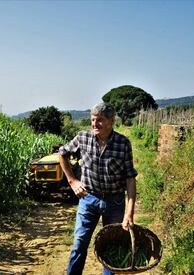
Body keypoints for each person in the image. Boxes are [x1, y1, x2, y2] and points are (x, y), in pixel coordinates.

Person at [58, 102, 138, 275]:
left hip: (114, 202)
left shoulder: (123, 144)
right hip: (89, 199)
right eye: (93, 120)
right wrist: (72, 181)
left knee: (110, 248)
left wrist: (129, 213)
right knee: (79, 244)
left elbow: (130, 178)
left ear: (111, 121)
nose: (95, 124)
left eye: (100, 120)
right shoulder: (83, 138)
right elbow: (62, 154)